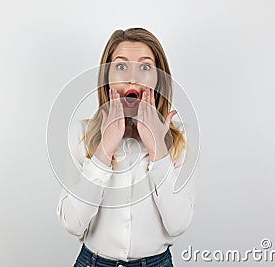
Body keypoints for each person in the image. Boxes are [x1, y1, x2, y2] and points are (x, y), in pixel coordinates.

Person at [57, 28, 196, 267]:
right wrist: (104, 150)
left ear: (159, 78)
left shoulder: (182, 138)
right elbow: (73, 223)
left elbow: (178, 224)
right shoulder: (80, 134)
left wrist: (158, 151)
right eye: (121, 66)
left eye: (145, 67)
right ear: (107, 76)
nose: (133, 78)